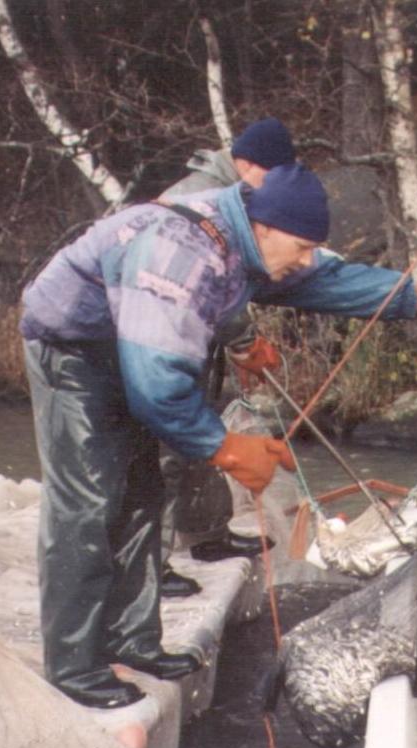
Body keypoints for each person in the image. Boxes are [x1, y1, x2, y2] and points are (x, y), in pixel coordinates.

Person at [20, 162, 417, 710]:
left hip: (133, 347)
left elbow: (325, 280)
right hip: (73, 349)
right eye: (302, 246)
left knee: (144, 496)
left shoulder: (253, 237)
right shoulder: (181, 251)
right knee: (89, 503)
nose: (306, 259)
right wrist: (223, 447)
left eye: (314, 246)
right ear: (263, 226)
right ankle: (74, 665)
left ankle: (132, 641)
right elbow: (155, 381)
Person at [158, 117, 299, 599]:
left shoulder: (232, 194)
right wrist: (243, 341)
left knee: (204, 428)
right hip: (158, 339)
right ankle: (147, 569)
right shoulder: (201, 200)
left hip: (195, 338)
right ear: (245, 164)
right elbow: (208, 284)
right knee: (162, 451)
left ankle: (207, 534)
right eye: (270, 177)